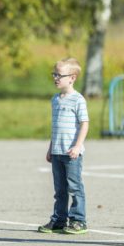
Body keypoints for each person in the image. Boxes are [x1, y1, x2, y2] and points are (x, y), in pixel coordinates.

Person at [38, 58, 89, 235]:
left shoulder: (78, 100)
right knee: (59, 189)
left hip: (72, 153)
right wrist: (50, 148)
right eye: (54, 74)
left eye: (59, 75)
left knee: (74, 187)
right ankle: (59, 220)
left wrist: (77, 146)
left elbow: (84, 124)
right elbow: (56, 128)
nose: (56, 78)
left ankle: (78, 220)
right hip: (57, 151)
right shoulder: (55, 100)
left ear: (72, 78)